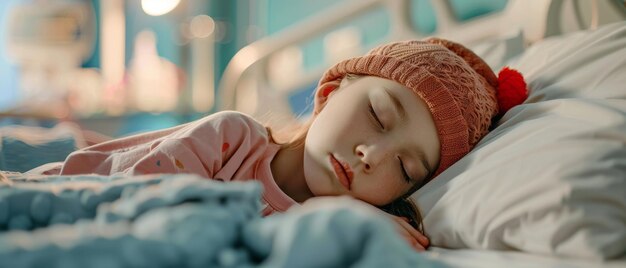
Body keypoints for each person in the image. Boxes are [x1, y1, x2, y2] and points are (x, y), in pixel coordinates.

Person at [28, 38, 528, 252]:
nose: (372, 156)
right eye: (377, 115)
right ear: (332, 91)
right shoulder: (233, 139)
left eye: (404, 167)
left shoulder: (350, 233)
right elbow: (135, 204)